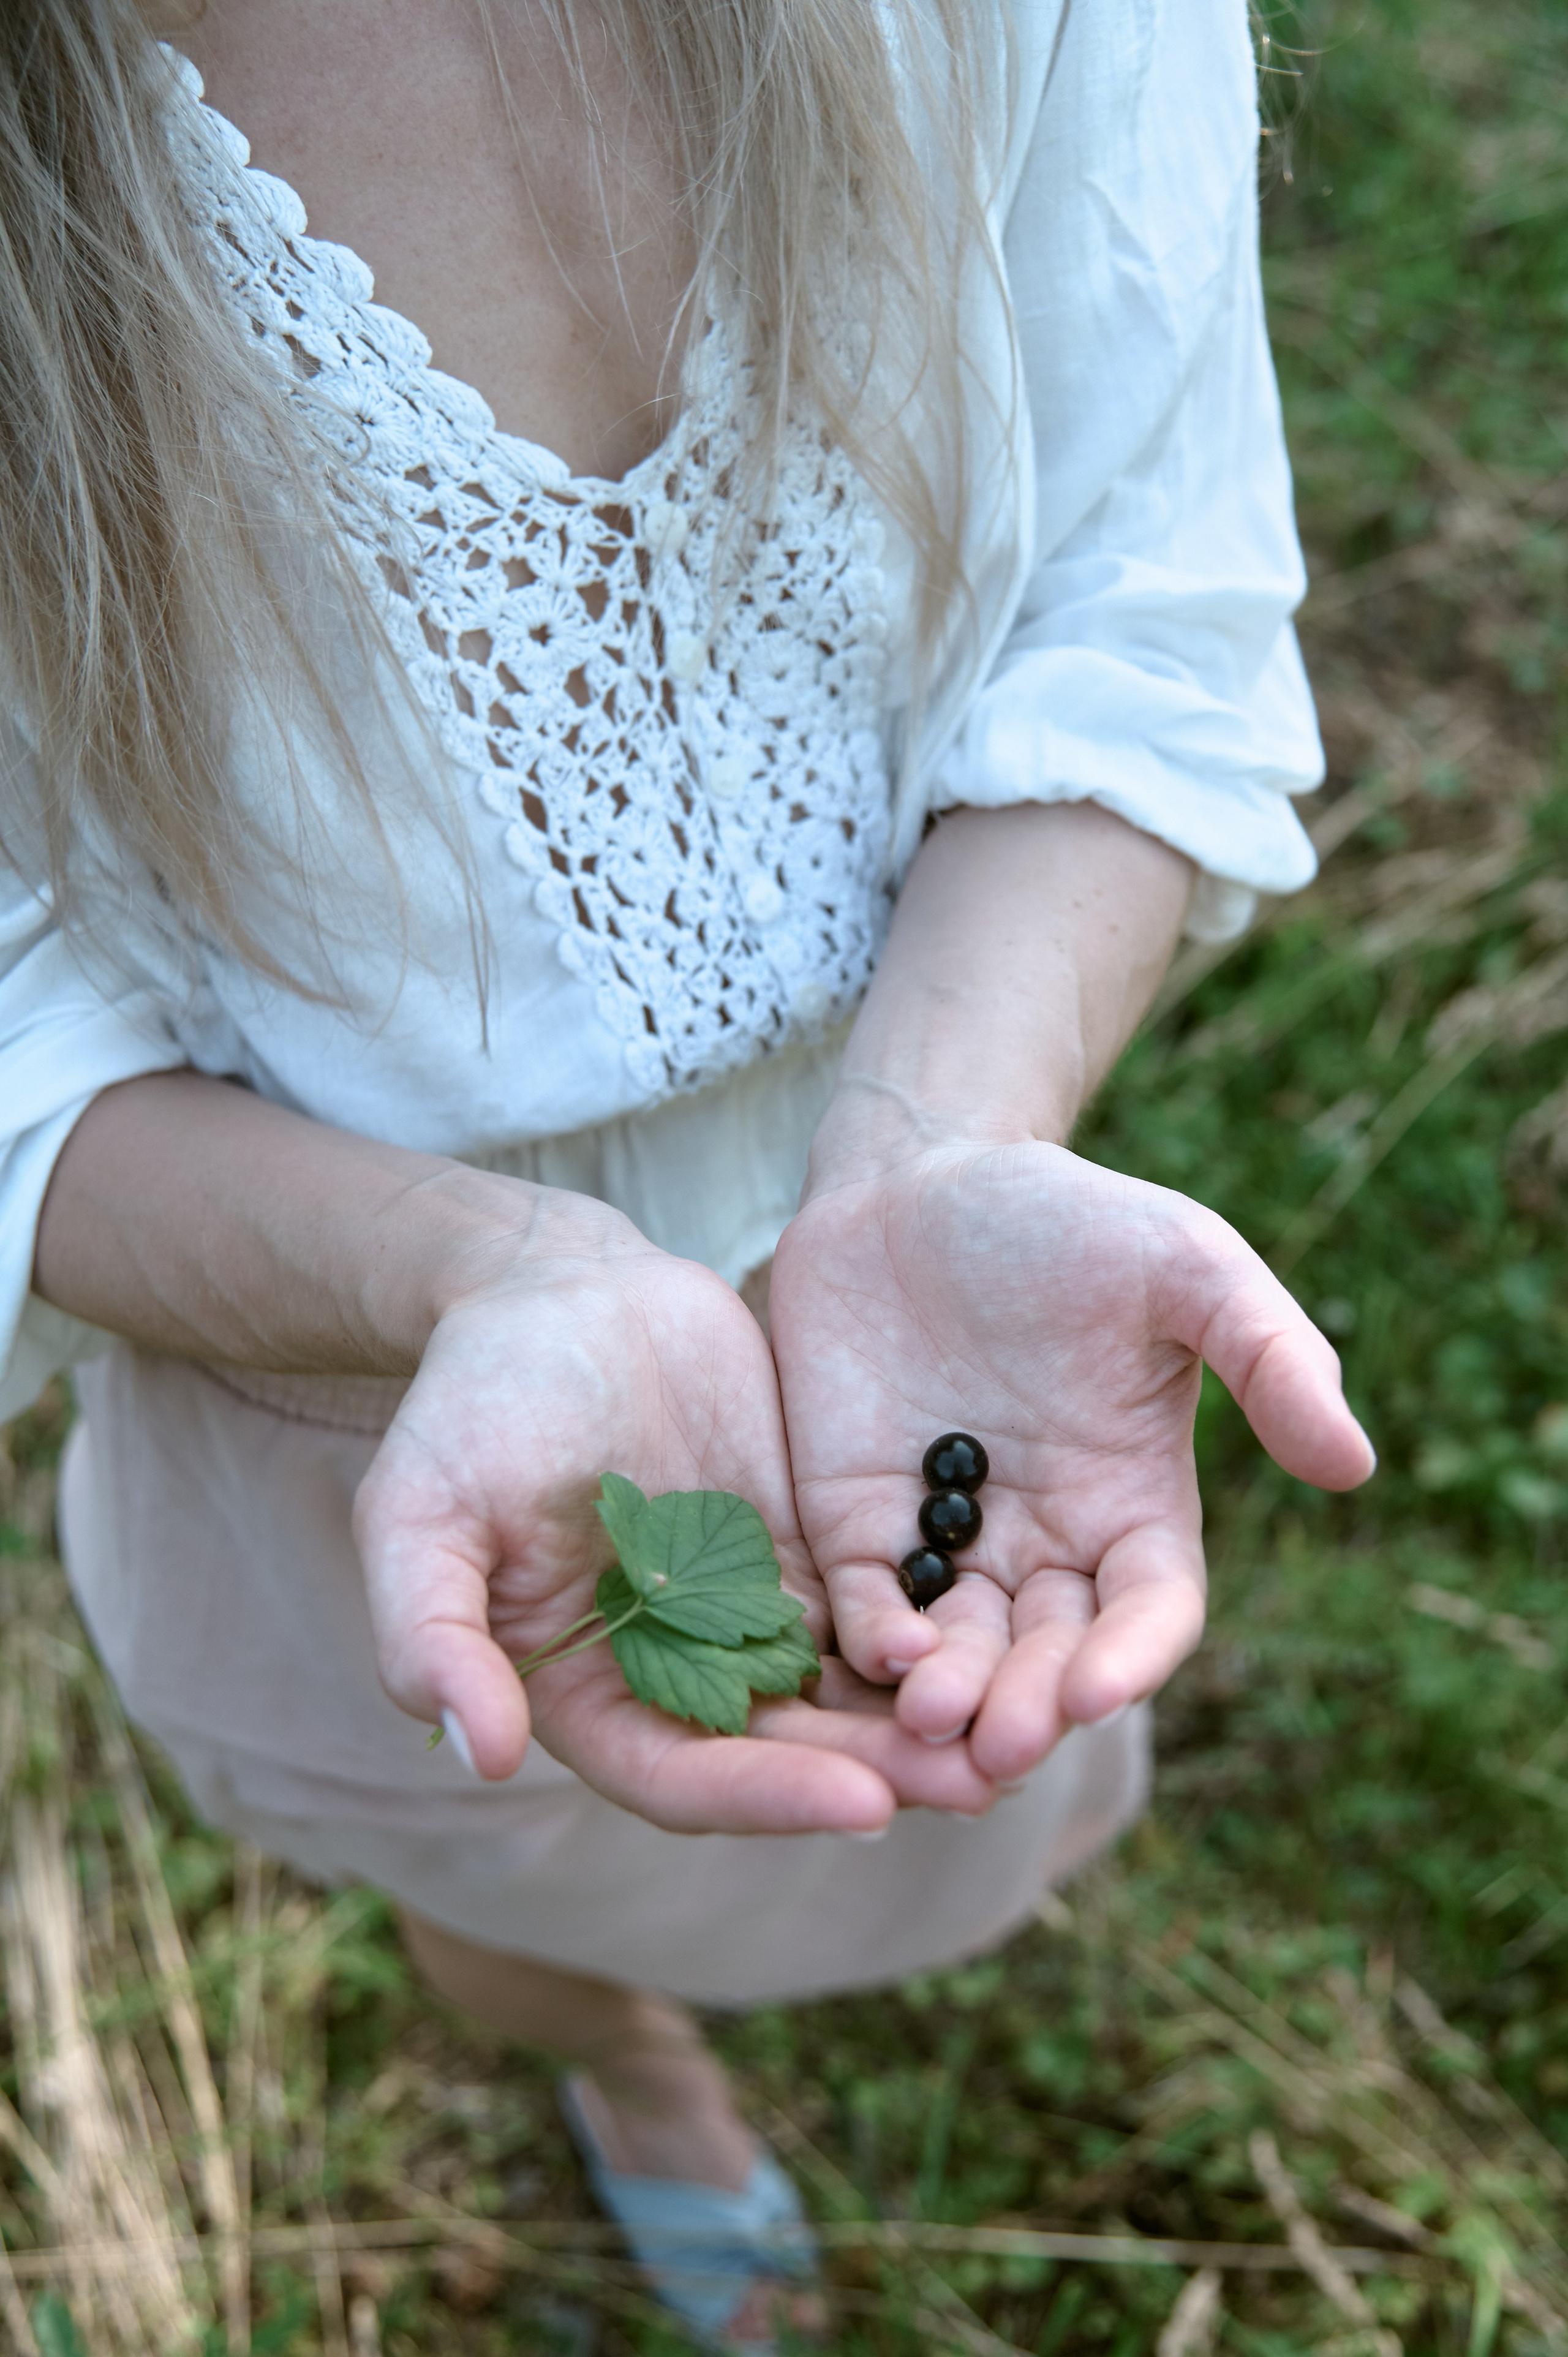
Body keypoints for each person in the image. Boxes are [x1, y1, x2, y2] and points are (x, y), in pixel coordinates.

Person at [0, 0, 1374, 2345]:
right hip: (339, 1360)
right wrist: (487, 1276)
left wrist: (932, 1137)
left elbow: (1141, 617)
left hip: (889, 1244)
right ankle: (625, 2071)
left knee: (896, 1742)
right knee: (496, 1832)